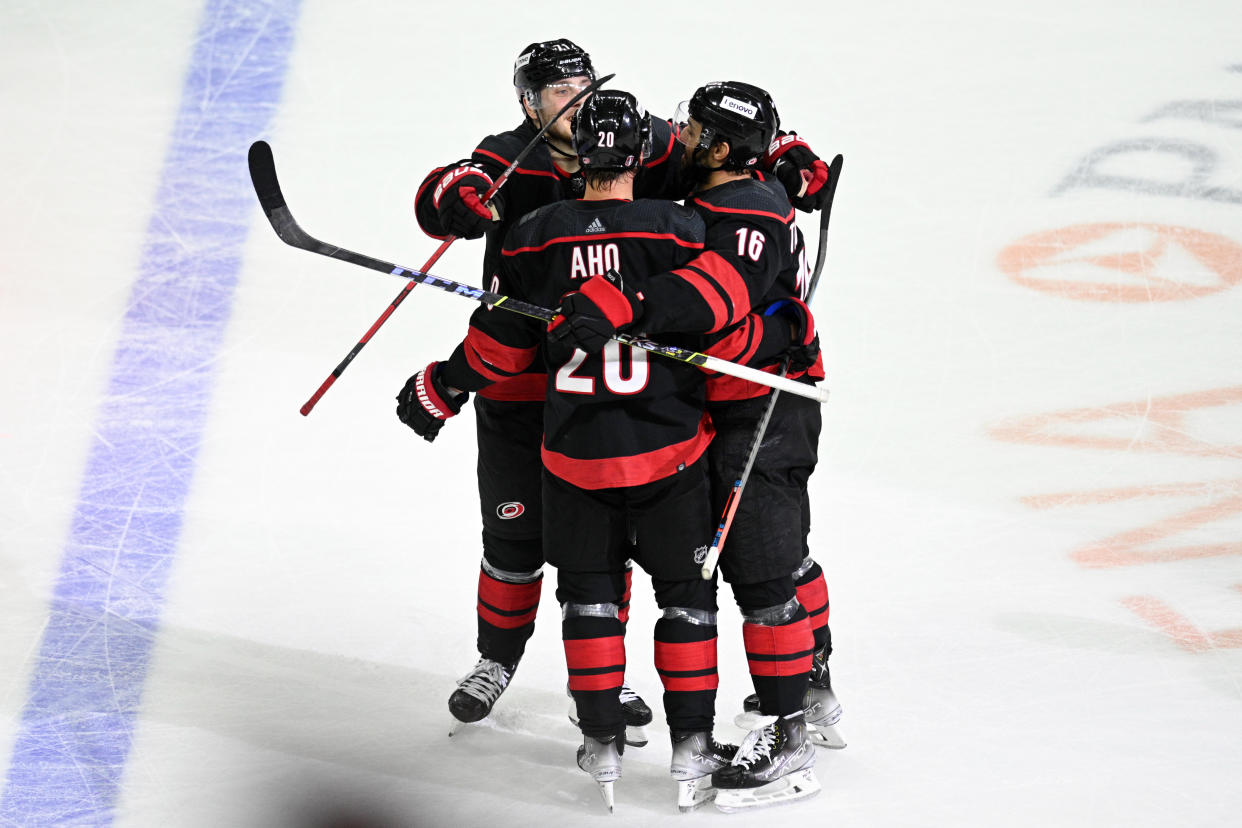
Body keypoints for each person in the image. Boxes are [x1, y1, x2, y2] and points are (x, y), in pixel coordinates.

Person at [408, 39, 835, 741]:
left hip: (628, 390)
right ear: (528, 103)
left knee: (625, 543)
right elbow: (445, 193)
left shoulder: (642, 139)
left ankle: (622, 685)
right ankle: (496, 660)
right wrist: (451, 196)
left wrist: (781, 150)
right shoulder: (509, 155)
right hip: (522, 380)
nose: (573, 102)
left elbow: (725, 143)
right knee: (514, 538)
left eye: (581, 85)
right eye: (555, 92)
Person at [552, 80, 840, 811]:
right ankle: (815, 679)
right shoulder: (719, 178)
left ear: (718, 148)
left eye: (690, 128)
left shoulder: (746, 210)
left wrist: (629, 305)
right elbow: (621, 136)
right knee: (772, 552)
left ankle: (790, 730)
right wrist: (788, 151)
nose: (672, 133)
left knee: (762, 563)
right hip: (724, 404)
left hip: (765, 407)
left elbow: (717, 297)